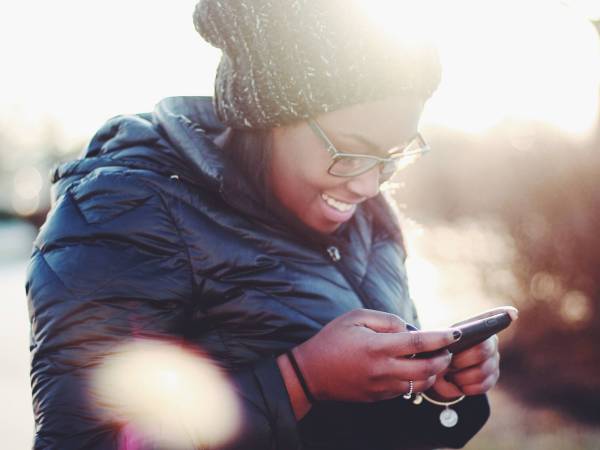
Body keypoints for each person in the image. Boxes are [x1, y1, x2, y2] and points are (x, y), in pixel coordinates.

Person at [26, 1, 510, 449]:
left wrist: (437, 382)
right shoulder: (125, 212)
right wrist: (299, 381)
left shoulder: (369, 217)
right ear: (266, 116)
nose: (368, 184)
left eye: (392, 155)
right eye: (349, 149)